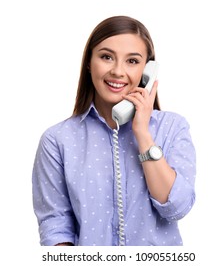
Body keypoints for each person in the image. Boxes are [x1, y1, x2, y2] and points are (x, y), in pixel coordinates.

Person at [32, 15, 196, 246]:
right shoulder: (58, 140)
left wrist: (143, 134)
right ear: (89, 62)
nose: (118, 71)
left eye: (132, 61)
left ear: (147, 71)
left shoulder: (173, 127)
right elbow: (56, 226)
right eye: (107, 57)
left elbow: (177, 207)